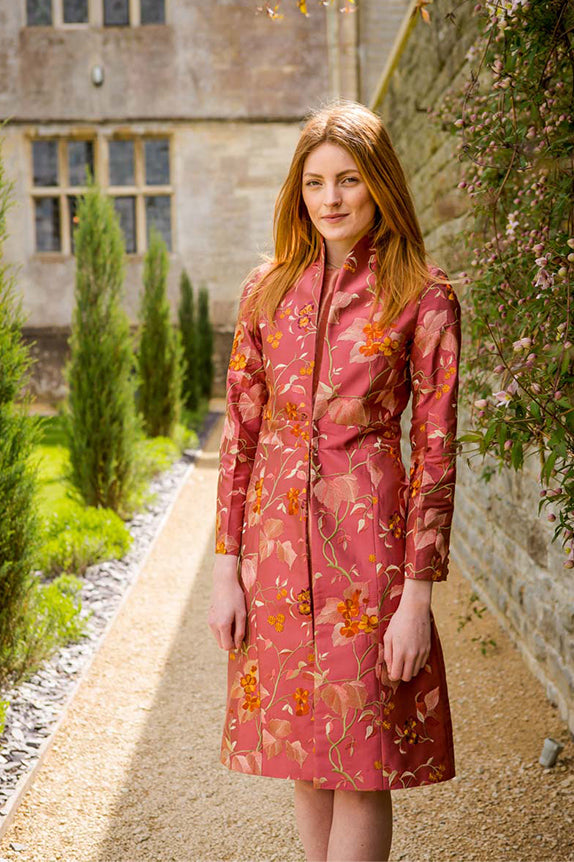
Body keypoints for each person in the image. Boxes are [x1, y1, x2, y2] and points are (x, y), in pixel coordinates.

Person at [208, 99, 462, 862]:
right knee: (303, 763)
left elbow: (438, 453)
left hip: (369, 555)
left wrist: (417, 595)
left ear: (379, 182)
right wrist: (227, 572)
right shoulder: (266, 291)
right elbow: (239, 436)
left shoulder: (424, 294)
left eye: (348, 179)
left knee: (360, 763)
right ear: (298, 191)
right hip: (276, 553)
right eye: (315, 182)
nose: (332, 199)